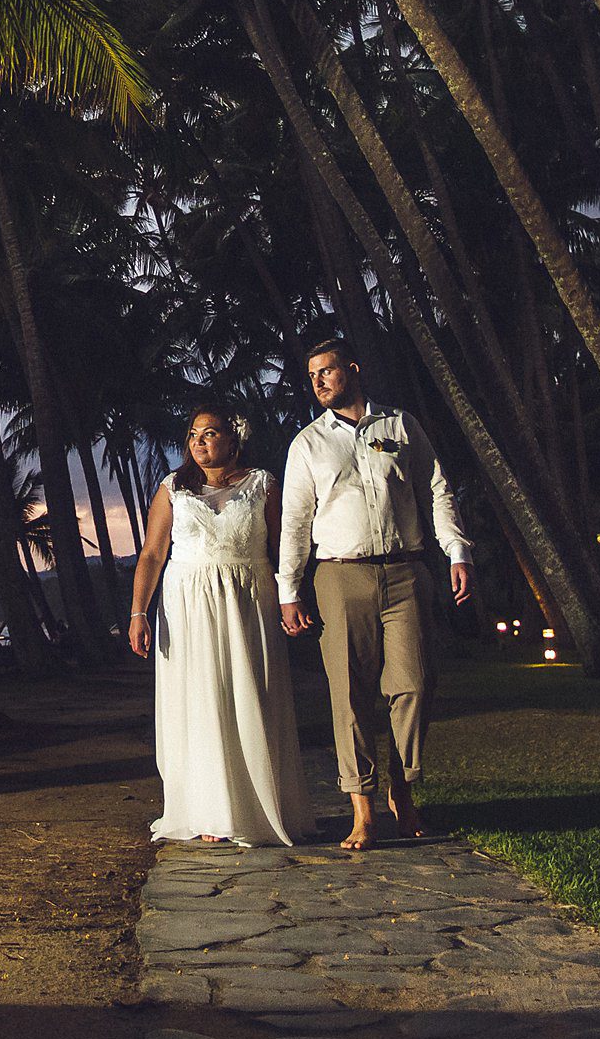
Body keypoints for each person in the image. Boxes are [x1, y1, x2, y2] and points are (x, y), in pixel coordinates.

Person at [278, 336, 471, 850]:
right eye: (312, 375)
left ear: (353, 369)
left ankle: (401, 788)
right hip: (339, 576)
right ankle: (361, 809)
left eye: (327, 370)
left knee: (416, 684)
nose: (318, 381)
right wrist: (288, 590)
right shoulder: (308, 444)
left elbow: (436, 488)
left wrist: (457, 551)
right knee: (349, 694)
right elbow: (295, 521)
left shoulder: (400, 426)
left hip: (407, 572)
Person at [128, 402, 313, 847]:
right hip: (187, 603)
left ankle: (255, 807)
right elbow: (152, 553)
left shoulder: (263, 484)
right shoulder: (173, 488)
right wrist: (138, 612)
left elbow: (282, 547)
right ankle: (209, 809)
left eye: (209, 433)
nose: (198, 442)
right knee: (200, 699)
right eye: (193, 434)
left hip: (248, 597)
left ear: (234, 438)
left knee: (251, 694)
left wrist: (291, 597)